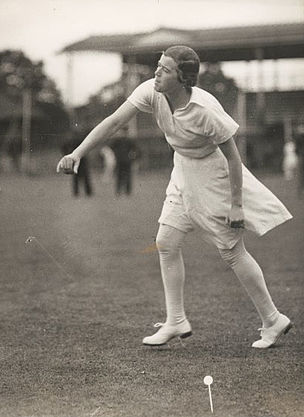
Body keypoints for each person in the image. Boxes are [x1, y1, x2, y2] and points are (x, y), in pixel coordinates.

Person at [57, 46, 293, 349]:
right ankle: (176, 320)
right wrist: (77, 154)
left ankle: (273, 320)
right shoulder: (150, 91)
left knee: (232, 251)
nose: (155, 73)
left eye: (164, 70)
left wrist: (236, 205)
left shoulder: (205, 110)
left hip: (214, 176)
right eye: (157, 66)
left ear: (182, 79)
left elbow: (234, 160)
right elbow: (114, 122)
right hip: (182, 169)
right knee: (166, 241)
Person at [61, 130, 93, 197]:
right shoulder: (81, 139)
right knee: (84, 176)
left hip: (75, 159)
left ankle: (77, 192)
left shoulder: (71, 141)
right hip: (81, 159)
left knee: (76, 177)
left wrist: (66, 155)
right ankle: (87, 192)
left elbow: (63, 147)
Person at [110, 129, 141, 195]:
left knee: (128, 176)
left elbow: (136, 149)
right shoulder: (117, 141)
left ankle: (127, 191)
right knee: (119, 176)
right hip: (119, 160)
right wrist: (116, 154)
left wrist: (133, 157)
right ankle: (118, 191)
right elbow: (111, 148)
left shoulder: (129, 141)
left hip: (127, 161)